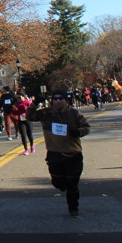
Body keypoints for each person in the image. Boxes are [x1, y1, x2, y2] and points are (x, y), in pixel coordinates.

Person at [30, 89, 91, 218]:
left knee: (72, 185)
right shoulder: (46, 113)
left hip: (73, 154)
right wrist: (35, 103)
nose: (58, 101)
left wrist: (78, 132)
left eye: (60, 98)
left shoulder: (74, 114)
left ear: (65, 100)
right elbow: (29, 116)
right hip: (55, 155)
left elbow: (86, 127)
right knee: (57, 182)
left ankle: (73, 209)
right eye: (55, 99)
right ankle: (62, 185)